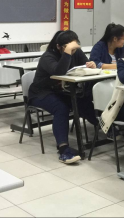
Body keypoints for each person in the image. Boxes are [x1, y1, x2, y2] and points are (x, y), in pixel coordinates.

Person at [28, 30, 97, 164]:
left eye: (74, 47)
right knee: (61, 108)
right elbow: (59, 72)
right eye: (69, 48)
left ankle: (107, 129)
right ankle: (63, 150)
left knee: (83, 101)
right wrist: (67, 52)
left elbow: (86, 65)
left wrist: (91, 65)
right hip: (41, 93)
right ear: (59, 47)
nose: (73, 51)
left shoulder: (76, 51)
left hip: (62, 91)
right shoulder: (48, 57)